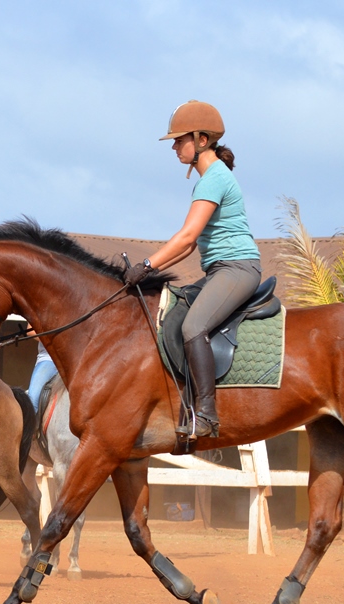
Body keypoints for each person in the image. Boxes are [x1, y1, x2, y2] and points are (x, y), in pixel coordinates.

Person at [123, 100, 261, 438]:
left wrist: (145, 265)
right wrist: (149, 272)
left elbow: (186, 238)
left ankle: (206, 415)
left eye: (178, 139)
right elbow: (188, 247)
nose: (173, 146)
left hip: (237, 268)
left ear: (201, 139)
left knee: (193, 326)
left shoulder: (214, 178)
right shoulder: (210, 178)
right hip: (219, 270)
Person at [26, 327, 58, 413]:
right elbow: (30, 330)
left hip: (77, 359)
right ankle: (31, 425)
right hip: (49, 359)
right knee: (33, 402)